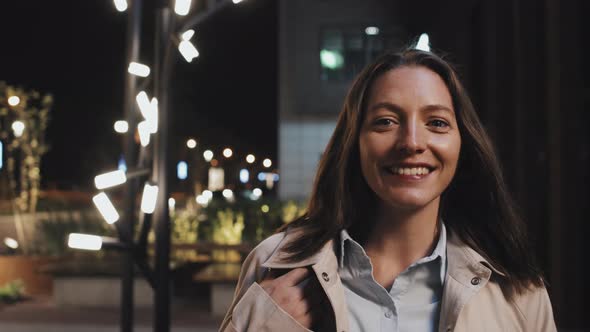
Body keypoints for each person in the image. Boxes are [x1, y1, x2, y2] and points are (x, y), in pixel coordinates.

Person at [219, 49, 557, 332]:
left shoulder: (518, 292)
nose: (411, 142)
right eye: (385, 121)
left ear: (462, 145)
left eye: (436, 123)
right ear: (354, 144)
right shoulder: (274, 265)